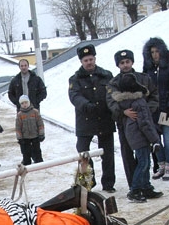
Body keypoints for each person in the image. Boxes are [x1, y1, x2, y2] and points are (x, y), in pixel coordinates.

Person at [105, 48, 160, 198]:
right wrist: (123, 112)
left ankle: (145, 185)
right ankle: (134, 187)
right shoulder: (114, 83)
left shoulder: (144, 79)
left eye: (127, 61)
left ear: (132, 62)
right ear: (118, 65)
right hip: (125, 124)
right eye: (122, 63)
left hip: (144, 120)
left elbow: (154, 96)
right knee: (128, 155)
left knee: (144, 156)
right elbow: (111, 102)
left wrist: (145, 111)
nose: (125, 65)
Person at [68, 44, 116, 192]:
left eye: (91, 59)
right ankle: (89, 181)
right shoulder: (75, 79)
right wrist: (86, 106)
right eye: (85, 60)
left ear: (95, 58)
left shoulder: (106, 75)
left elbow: (113, 93)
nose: (89, 62)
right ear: (81, 62)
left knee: (107, 154)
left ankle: (108, 183)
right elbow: (74, 96)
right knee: (83, 153)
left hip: (104, 119)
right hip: (85, 121)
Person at [142, 37, 169, 181]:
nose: (155, 54)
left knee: (168, 138)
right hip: (152, 110)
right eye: (152, 52)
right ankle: (161, 165)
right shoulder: (148, 68)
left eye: (157, 51)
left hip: (166, 109)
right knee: (156, 140)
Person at [15, 94, 45, 166]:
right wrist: (19, 138)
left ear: (29, 102)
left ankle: (39, 162)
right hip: (25, 137)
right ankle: (27, 163)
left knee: (37, 150)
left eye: (26, 102)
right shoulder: (20, 115)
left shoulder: (35, 112)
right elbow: (18, 127)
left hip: (35, 136)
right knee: (26, 152)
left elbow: (40, 124)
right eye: (22, 103)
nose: (24, 105)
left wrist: (41, 134)